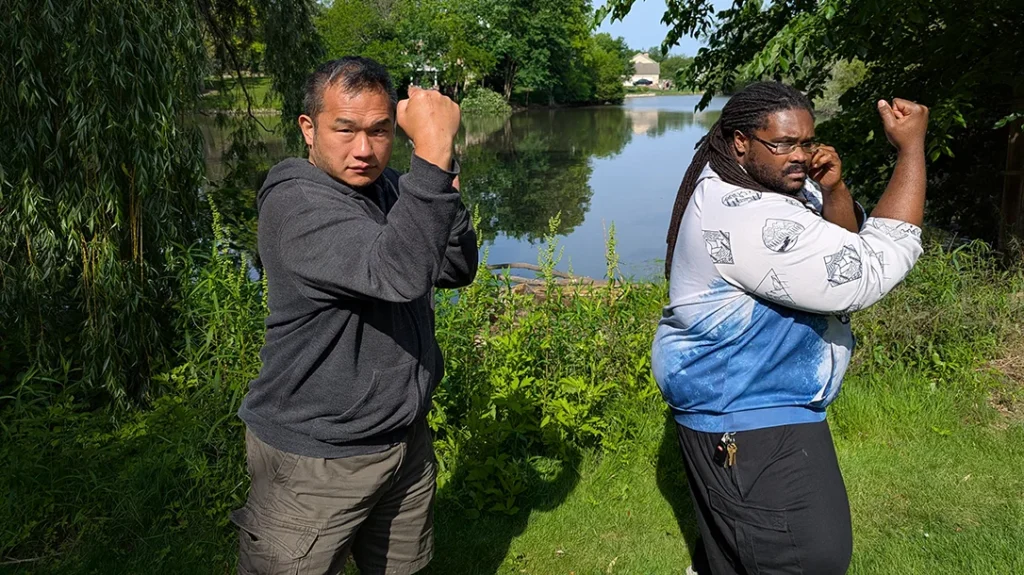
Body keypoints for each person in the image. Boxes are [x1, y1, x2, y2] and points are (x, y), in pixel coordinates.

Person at [652, 82, 929, 574]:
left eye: (807, 141)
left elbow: (837, 239)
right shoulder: (748, 218)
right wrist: (910, 151)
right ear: (741, 141)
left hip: (754, 412)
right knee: (810, 558)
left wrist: (835, 190)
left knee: (745, 557)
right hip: (748, 420)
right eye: (784, 144)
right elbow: (864, 270)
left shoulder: (757, 185)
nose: (800, 155)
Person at [230, 56, 477, 574]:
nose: (363, 150)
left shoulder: (385, 188)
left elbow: (454, 266)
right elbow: (400, 273)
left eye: (380, 131)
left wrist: (442, 167)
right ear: (309, 128)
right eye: (345, 129)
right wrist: (431, 153)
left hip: (402, 444)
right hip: (315, 461)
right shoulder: (296, 206)